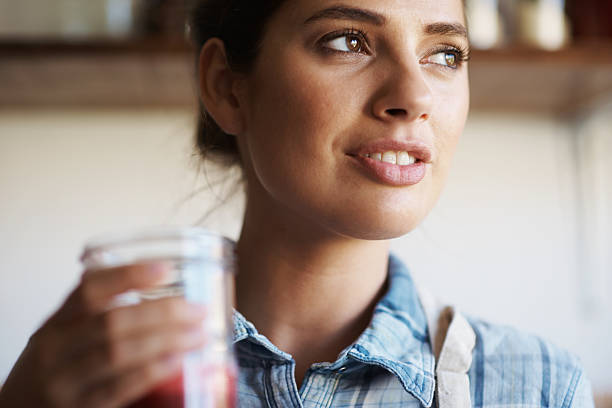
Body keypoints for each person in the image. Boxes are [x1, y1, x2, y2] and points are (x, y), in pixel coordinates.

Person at [0, 0, 595, 407]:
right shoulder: (109, 380)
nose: (414, 96)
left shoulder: (539, 387)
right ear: (226, 87)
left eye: (445, 55)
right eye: (348, 41)